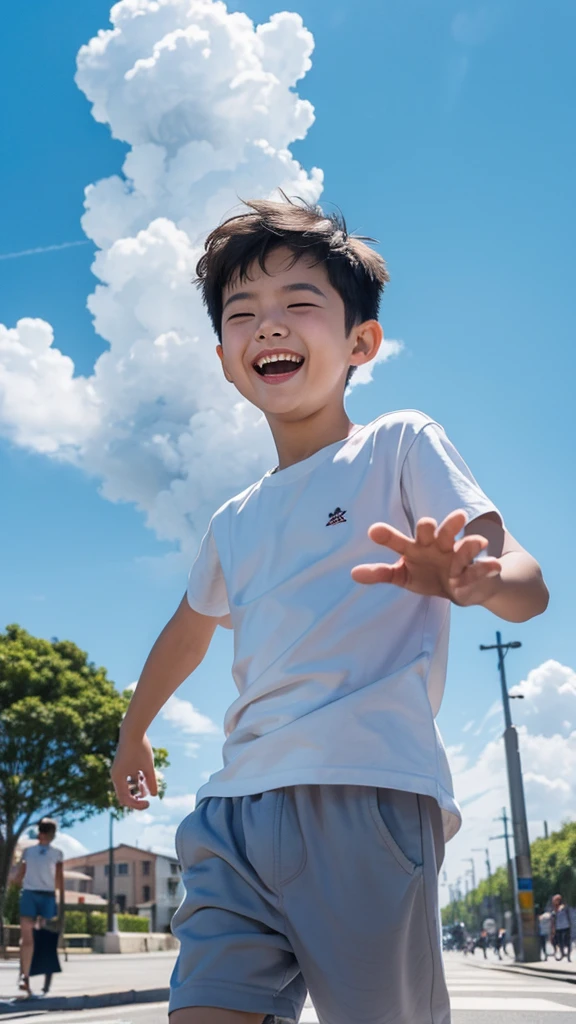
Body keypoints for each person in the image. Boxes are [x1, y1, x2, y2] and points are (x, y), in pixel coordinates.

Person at [111, 197, 549, 1024]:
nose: (268, 325)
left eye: (298, 304)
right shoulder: (234, 521)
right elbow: (186, 631)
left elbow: (526, 583)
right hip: (235, 814)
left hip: (366, 795)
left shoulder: (399, 444)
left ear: (361, 343)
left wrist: (473, 579)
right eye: (244, 314)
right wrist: (134, 729)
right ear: (226, 360)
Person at [13, 818, 63, 997]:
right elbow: (58, 881)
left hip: (40, 895)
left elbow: (18, 876)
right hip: (37, 895)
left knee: (36, 939)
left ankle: (34, 980)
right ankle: (25, 977)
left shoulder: (52, 853)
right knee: (33, 939)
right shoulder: (36, 853)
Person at [550, 893, 572, 962]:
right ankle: (562, 953)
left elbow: (568, 915)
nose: (555, 902)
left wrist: (570, 924)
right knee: (560, 942)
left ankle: (568, 956)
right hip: (558, 928)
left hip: (566, 926)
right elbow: (553, 920)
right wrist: (553, 929)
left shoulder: (564, 907)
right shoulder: (554, 910)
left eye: (556, 900)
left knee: (568, 942)